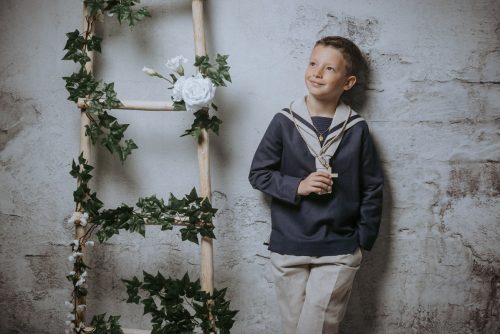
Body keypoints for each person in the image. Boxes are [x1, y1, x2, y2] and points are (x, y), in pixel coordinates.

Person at [248, 36, 384, 334]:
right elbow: (258, 174)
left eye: (329, 68)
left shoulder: (357, 128)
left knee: (317, 329)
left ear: (348, 83)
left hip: (339, 250)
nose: (317, 72)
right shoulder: (284, 121)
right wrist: (298, 185)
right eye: (312, 63)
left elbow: (373, 187)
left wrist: (361, 240)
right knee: (294, 327)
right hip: (288, 246)